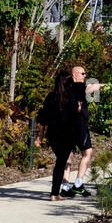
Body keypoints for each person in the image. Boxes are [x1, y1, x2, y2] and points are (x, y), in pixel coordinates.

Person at [62, 64, 112, 197]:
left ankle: (65, 186)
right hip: (79, 126)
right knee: (87, 153)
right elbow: (95, 86)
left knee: (69, 155)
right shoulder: (79, 88)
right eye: (82, 74)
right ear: (74, 75)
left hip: (67, 126)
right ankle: (78, 184)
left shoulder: (65, 89)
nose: (85, 76)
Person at [35, 71, 78, 201]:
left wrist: (40, 136)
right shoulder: (71, 97)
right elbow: (75, 115)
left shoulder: (51, 97)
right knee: (60, 163)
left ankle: (55, 192)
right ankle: (54, 193)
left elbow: (43, 118)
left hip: (53, 135)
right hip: (67, 134)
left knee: (60, 162)